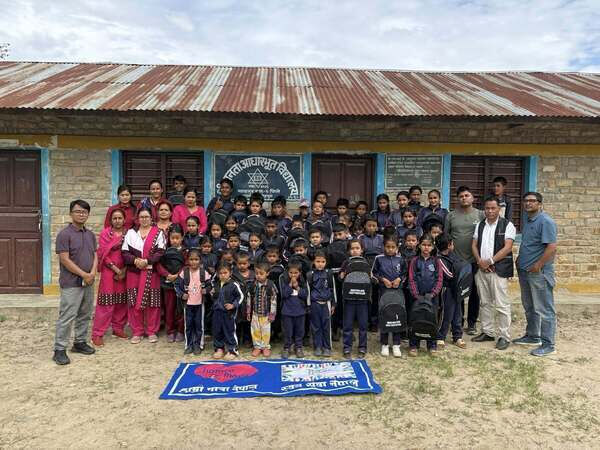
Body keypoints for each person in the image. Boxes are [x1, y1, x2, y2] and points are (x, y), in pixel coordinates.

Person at [53, 200, 98, 365]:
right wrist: (83, 274)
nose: (81, 214)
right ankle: (59, 349)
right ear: (71, 213)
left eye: (84, 212)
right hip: (71, 282)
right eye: (78, 211)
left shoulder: (90, 234)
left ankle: (79, 342)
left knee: (85, 313)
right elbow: (64, 259)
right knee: (67, 315)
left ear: (88, 214)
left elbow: (95, 255)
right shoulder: (64, 234)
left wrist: (92, 273)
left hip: (88, 281)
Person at [514, 192, 558, 357]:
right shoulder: (528, 220)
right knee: (530, 306)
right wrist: (519, 259)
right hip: (525, 271)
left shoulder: (546, 221)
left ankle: (548, 345)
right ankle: (533, 336)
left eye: (532, 201)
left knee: (544, 309)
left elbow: (551, 247)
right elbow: (530, 244)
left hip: (539, 273)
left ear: (539, 204)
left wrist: (538, 265)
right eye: (526, 200)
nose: (528, 203)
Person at [471, 196, 516, 350]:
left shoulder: (507, 225)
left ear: (499, 209)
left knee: (502, 304)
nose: (490, 211)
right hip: (481, 269)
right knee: (485, 303)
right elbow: (474, 245)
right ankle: (487, 332)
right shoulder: (480, 225)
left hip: (498, 270)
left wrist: (489, 261)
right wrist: (480, 262)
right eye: (487, 208)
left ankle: (504, 336)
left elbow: (507, 247)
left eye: (493, 208)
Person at [122, 207, 166, 344]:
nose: (144, 219)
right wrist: (135, 260)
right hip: (134, 272)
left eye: (146, 217)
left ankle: (151, 331)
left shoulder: (158, 233)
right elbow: (125, 252)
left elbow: (160, 252)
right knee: (134, 301)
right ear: (137, 218)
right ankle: (137, 331)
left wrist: (147, 261)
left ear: (151, 218)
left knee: (153, 301)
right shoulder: (130, 233)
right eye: (141, 217)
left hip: (151, 272)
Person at [445, 186, 485, 335]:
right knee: (458, 292)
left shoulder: (480, 214)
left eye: (467, 195)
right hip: (457, 261)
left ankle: (472, 323)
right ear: (457, 199)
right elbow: (446, 236)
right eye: (461, 196)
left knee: (474, 292)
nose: (464, 198)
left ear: (472, 198)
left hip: (475, 260)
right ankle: (458, 321)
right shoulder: (451, 216)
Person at [91, 208, 128, 347]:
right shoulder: (105, 233)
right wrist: (116, 270)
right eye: (114, 218)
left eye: (120, 218)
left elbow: (132, 252)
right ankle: (97, 333)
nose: (117, 221)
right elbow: (102, 253)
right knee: (106, 302)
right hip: (109, 271)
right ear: (111, 220)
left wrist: (124, 271)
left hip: (124, 271)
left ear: (124, 220)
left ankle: (118, 328)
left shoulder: (129, 233)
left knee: (121, 300)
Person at [407, 233, 448, 356]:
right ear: (419, 246)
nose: (426, 247)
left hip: (432, 298)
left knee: (432, 320)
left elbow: (439, 279)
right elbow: (411, 279)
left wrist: (433, 293)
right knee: (416, 319)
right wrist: (416, 294)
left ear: (433, 247)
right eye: (424, 245)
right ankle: (414, 345)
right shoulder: (414, 261)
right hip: (417, 297)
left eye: (429, 245)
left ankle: (432, 345)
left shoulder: (436, 261)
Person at [372, 238, 406, 358]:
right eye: (388, 247)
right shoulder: (379, 258)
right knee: (385, 314)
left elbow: (405, 273)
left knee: (397, 314)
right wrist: (383, 280)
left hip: (397, 291)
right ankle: (385, 343)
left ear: (397, 248)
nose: (390, 249)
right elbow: (373, 273)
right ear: (384, 247)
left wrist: (399, 279)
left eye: (393, 247)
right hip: (384, 291)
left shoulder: (401, 259)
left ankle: (396, 344)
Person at [175, 248, 211, 355]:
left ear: (200, 260)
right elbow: (177, 285)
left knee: (199, 325)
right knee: (188, 325)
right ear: (188, 260)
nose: (194, 262)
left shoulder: (203, 272)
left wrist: (206, 290)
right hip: (188, 305)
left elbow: (210, 285)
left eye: (196, 259)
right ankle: (189, 345)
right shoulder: (184, 272)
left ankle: (198, 345)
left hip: (200, 304)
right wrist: (182, 294)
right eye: (191, 259)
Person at [339, 239, 371, 358]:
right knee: (347, 325)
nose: (355, 250)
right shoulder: (346, 262)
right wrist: (342, 275)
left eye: (357, 248)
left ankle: (362, 347)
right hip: (349, 299)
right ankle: (347, 348)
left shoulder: (366, 262)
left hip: (363, 299)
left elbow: (371, 278)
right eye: (352, 248)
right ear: (349, 251)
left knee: (363, 325)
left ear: (362, 250)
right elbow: (340, 277)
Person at [435, 234, 467, 349]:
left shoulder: (453, 256)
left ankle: (457, 336)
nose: (453, 245)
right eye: (452, 243)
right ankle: (440, 336)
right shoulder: (439, 259)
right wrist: (460, 276)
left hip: (456, 288)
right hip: (446, 289)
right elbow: (449, 275)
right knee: (446, 313)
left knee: (458, 312)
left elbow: (460, 265)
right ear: (448, 245)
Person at [157, 223, 186, 343]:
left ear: (182, 238)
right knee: (169, 308)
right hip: (167, 283)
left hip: (181, 284)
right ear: (168, 238)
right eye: (172, 238)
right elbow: (159, 265)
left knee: (181, 308)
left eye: (177, 238)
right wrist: (167, 274)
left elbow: (187, 265)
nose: (175, 241)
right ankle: (170, 330)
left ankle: (180, 330)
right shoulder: (164, 251)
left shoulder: (185, 251)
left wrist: (178, 275)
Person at [211, 263, 244, 360]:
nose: (223, 275)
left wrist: (233, 305)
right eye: (220, 273)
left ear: (230, 273)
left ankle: (232, 350)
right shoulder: (216, 284)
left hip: (229, 313)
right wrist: (212, 294)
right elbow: (215, 296)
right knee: (217, 331)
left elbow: (241, 296)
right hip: (217, 312)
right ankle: (219, 348)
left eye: (225, 273)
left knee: (229, 331)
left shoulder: (234, 284)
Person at [307, 250, 337, 357]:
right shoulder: (310, 274)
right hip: (315, 304)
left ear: (326, 262)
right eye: (318, 261)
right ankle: (318, 347)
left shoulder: (329, 273)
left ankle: (327, 347)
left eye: (323, 261)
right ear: (314, 262)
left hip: (326, 304)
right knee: (316, 326)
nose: (320, 264)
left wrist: (333, 304)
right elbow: (308, 290)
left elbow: (333, 289)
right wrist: (309, 305)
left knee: (326, 326)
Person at [246, 262, 278, 357]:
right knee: (255, 330)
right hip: (255, 313)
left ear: (267, 273)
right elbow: (249, 298)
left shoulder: (270, 285)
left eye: (261, 273)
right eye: (256, 273)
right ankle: (257, 346)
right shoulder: (253, 285)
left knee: (266, 331)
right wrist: (248, 312)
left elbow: (274, 300)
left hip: (266, 314)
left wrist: (272, 314)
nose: (258, 276)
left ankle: (265, 347)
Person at [279, 262, 309, 358]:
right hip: (287, 312)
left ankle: (298, 347)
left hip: (300, 312)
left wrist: (297, 287)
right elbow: (284, 294)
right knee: (287, 331)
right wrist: (290, 285)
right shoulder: (284, 281)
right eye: (291, 272)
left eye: (296, 273)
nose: (293, 275)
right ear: (287, 272)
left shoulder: (303, 282)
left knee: (300, 331)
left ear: (300, 273)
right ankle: (287, 347)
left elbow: (305, 295)